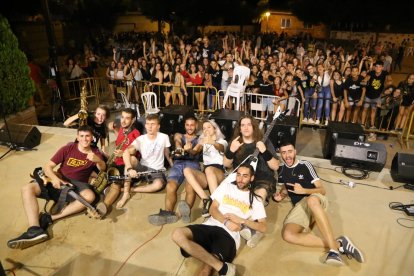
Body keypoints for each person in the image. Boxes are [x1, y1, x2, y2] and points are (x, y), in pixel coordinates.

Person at [7, 125, 106, 249]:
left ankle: (49, 218)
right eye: (81, 136)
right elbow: (48, 167)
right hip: (60, 178)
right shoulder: (68, 148)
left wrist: (98, 161)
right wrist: (55, 179)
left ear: (92, 138)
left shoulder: (95, 153)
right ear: (77, 137)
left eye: (87, 136)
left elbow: (103, 169)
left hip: (78, 184)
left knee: (90, 196)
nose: (84, 139)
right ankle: (34, 229)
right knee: (27, 188)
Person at [274, 142, 364, 265]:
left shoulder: (305, 165)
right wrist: (281, 195)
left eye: (290, 151)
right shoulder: (281, 169)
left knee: (311, 200)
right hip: (300, 206)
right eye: (283, 152)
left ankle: (333, 251)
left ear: (295, 152)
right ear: (281, 154)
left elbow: (322, 190)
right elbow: (285, 186)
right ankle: (339, 244)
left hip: (315, 198)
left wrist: (304, 191)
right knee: (288, 235)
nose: (287, 155)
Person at [172, 164, 267, 276]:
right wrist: (226, 222)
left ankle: (200, 253)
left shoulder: (255, 200)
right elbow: (213, 208)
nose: (240, 179)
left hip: (229, 236)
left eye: (245, 176)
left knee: (205, 271)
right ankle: (223, 268)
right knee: (177, 234)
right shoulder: (226, 187)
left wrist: (242, 220)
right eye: (238, 175)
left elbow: (263, 227)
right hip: (210, 226)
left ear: (251, 178)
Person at [223, 114, 279, 246]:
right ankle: (253, 229)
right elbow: (226, 164)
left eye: (249, 124)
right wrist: (231, 151)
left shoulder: (264, 141)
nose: (246, 127)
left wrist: (265, 151)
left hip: (263, 178)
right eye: (243, 125)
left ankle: (251, 228)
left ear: (254, 127)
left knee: (257, 197)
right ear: (239, 129)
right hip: (242, 179)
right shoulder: (235, 143)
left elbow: (275, 165)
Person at [148, 115, 200, 226]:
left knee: (190, 186)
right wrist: (181, 148)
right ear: (184, 125)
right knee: (170, 186)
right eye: (187, 125)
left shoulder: (200, 139)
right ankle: (168, 213)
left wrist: (189, 150)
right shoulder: (179, 135)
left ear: (196, 126)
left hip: (192, 165)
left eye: (192, 125)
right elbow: (177, 145)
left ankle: (185, 212)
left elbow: (195, 152)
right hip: (178, 164)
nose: (189, 127)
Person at [184, 120, 227, 218]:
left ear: (215, 129)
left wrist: (212, 142)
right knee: (187, 170)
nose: (206, 130)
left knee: (209, 170)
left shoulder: (222, 141)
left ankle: (216, 205)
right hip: (206, 174)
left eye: (209, 127)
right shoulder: (203, 142)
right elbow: (194, 152)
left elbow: (221, 148)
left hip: (218, 172)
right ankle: (206, 199)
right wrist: (188, 149)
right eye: (204, 128)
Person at [100, 108, 141, 211]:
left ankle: (125, 194)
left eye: (127, 118)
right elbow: (120, 139)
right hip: (117, 160)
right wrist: (114, 129)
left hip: (128, 165)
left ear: (133, 120)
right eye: (122, 117)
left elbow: (133, 150)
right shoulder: (123, 129)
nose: (123, 120)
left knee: (115, 185)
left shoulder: (136, 133)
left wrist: (123, 153)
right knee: (102, 177)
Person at [122, 114, 173, 198]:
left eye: (153, 124)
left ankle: (132, 189)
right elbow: (126, 152)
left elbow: (167, 153)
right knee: (131, 159)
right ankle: (126, 193)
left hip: (157, 170)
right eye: (148, 124)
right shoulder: (140, 139)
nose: (150, 127)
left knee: (158, 185)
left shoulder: (164, 137)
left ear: (158, 126)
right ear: (145, 125)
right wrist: (130, 169)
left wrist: (173, 166)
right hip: (143, 168)